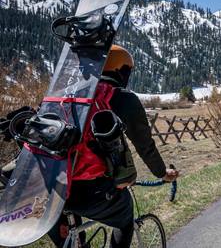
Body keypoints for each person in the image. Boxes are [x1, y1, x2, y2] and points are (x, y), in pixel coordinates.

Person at [0, 45, 179, 248]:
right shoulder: (123, 99)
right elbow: (145, 146)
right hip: (93, 193)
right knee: (125, 216)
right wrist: (162, 173)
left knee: (72, 238)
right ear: (121, 72)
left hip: (47, 190)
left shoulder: (62, 96)